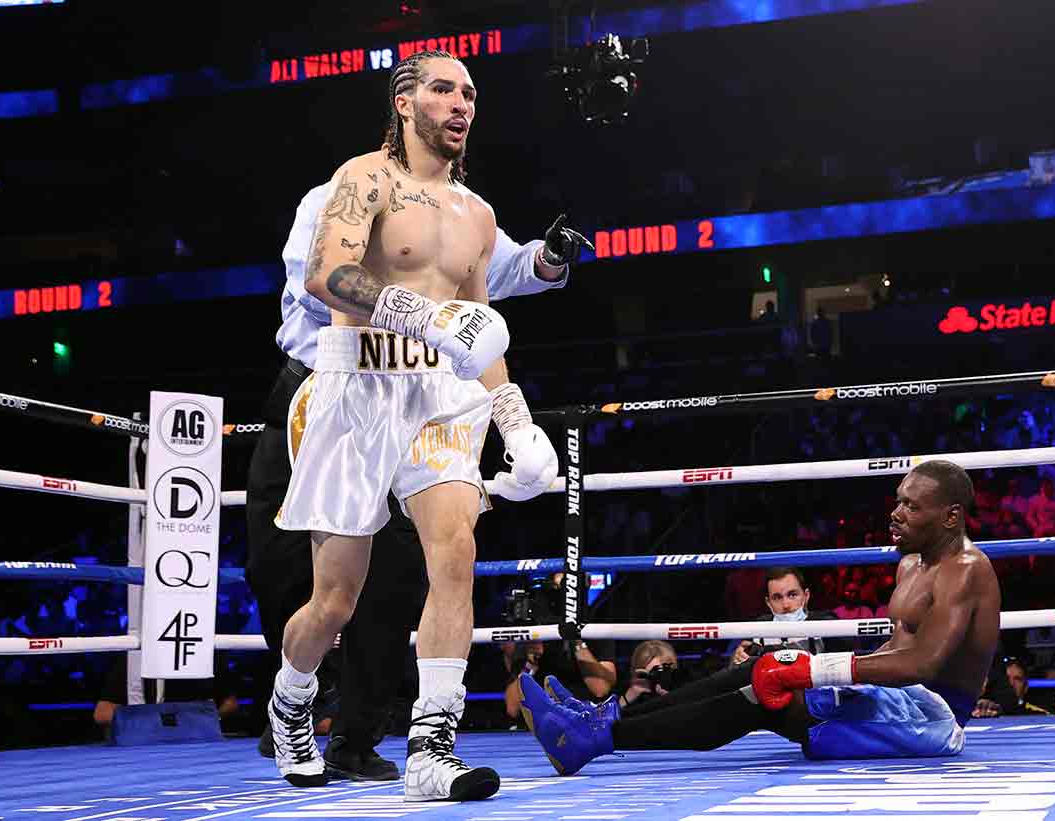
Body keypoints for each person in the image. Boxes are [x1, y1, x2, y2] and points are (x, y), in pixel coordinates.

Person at [266, 49, 560, 801]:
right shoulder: (363, 179)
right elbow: (325, 274)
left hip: (435, 398)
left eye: (469, 93)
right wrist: (425, 315)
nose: (461, 104)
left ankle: (432, 747)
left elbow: (480, 332)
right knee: (334, 601)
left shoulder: (478, 215)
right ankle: (293, 696)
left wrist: (515, 422)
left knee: (454, 552)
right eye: (442, 89)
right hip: (354, 388)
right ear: (404, 102)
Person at [519, 459, 1002, 773]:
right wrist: (828, 674)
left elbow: (923, 665)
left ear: (951, 516)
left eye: (911, 506)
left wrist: (817, 670)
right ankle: (608, 715)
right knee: (756, 669)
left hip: (930, 721)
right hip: (892, 700)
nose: (895, 513)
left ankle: (590, 741)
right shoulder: (912, 562)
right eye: (897, 500)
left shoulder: (965, 570)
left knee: (763, 700)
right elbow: (897, 652)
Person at [502, 574, 617, 723]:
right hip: (544, 723)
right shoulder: (534, 634)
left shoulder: (596, 630)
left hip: (585, 720)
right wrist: (531, 661)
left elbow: (600, 689)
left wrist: (575, 640)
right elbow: (512, 708)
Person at [729, 566, 842, 667]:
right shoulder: (757, 628)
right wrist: (737, 658)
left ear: (806, 596)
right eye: (777, 598)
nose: (786, 605)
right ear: (768, 603)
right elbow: (733, 670)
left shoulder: (825, 623)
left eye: (792, 595)